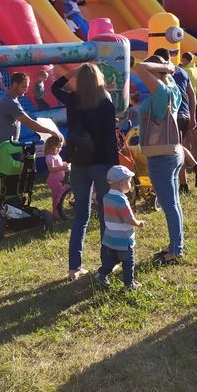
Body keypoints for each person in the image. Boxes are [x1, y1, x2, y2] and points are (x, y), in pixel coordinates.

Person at [51, 65, 113, 281]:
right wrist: (113, 166)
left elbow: (54, 87)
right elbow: (109, 139)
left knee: (81, 217)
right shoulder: (105, 103)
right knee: (106, 216)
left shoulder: (73, 100)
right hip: (101, 164)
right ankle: (107, 263)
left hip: (79, 163)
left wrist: (71, 73)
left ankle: (74, 267)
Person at [134, 56, 185, 265]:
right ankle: (176, 246)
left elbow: (139, 67)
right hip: (173, 152)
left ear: (156, 73)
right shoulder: (172, 89)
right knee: (174, 204)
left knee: (170, 205)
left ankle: (175, 251)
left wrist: (167, 66)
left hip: (160, 156)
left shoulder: (162, 91)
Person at [0, 72, 63, 216]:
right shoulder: (10, 102)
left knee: (11, 180)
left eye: (27, 86)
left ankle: (10, 209)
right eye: (24, 86)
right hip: (1, 148)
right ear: (15, 85)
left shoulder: (14, 100)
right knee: (1, 180)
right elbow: (29, 122)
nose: (26, 89)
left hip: (10, 147)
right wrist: (51, 131)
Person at [153, 48, 197, 192]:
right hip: (184, 113)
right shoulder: (182, 72)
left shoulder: (162, 73)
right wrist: (193, 115)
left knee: (175, 148)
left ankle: (194, 170)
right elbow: (192, 95)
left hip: (173, 114)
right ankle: (184, 183)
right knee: (178, 148)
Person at [92, 165, 143, 290]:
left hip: (110, 238)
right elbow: (128, 219)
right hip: (123, 239)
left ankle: (101, 274)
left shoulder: (106, 197)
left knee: (113, 260)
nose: (130, 184)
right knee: (128, 262)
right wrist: (138, 223)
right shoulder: (121, 200)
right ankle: (129, 284)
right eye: (129, 181)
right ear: (121, 183)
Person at [43, 136, 69, 216]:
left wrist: (65, 164)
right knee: (59, 195)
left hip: (60, 179)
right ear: (53, 147)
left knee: (57, 195)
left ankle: (56, 211)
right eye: (59, 147)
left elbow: (59, 164)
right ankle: (57, 211)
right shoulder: (49, 157)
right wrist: (62, 167)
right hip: (54, 180)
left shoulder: (56, 156)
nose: (61, 149)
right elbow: (51, 169)